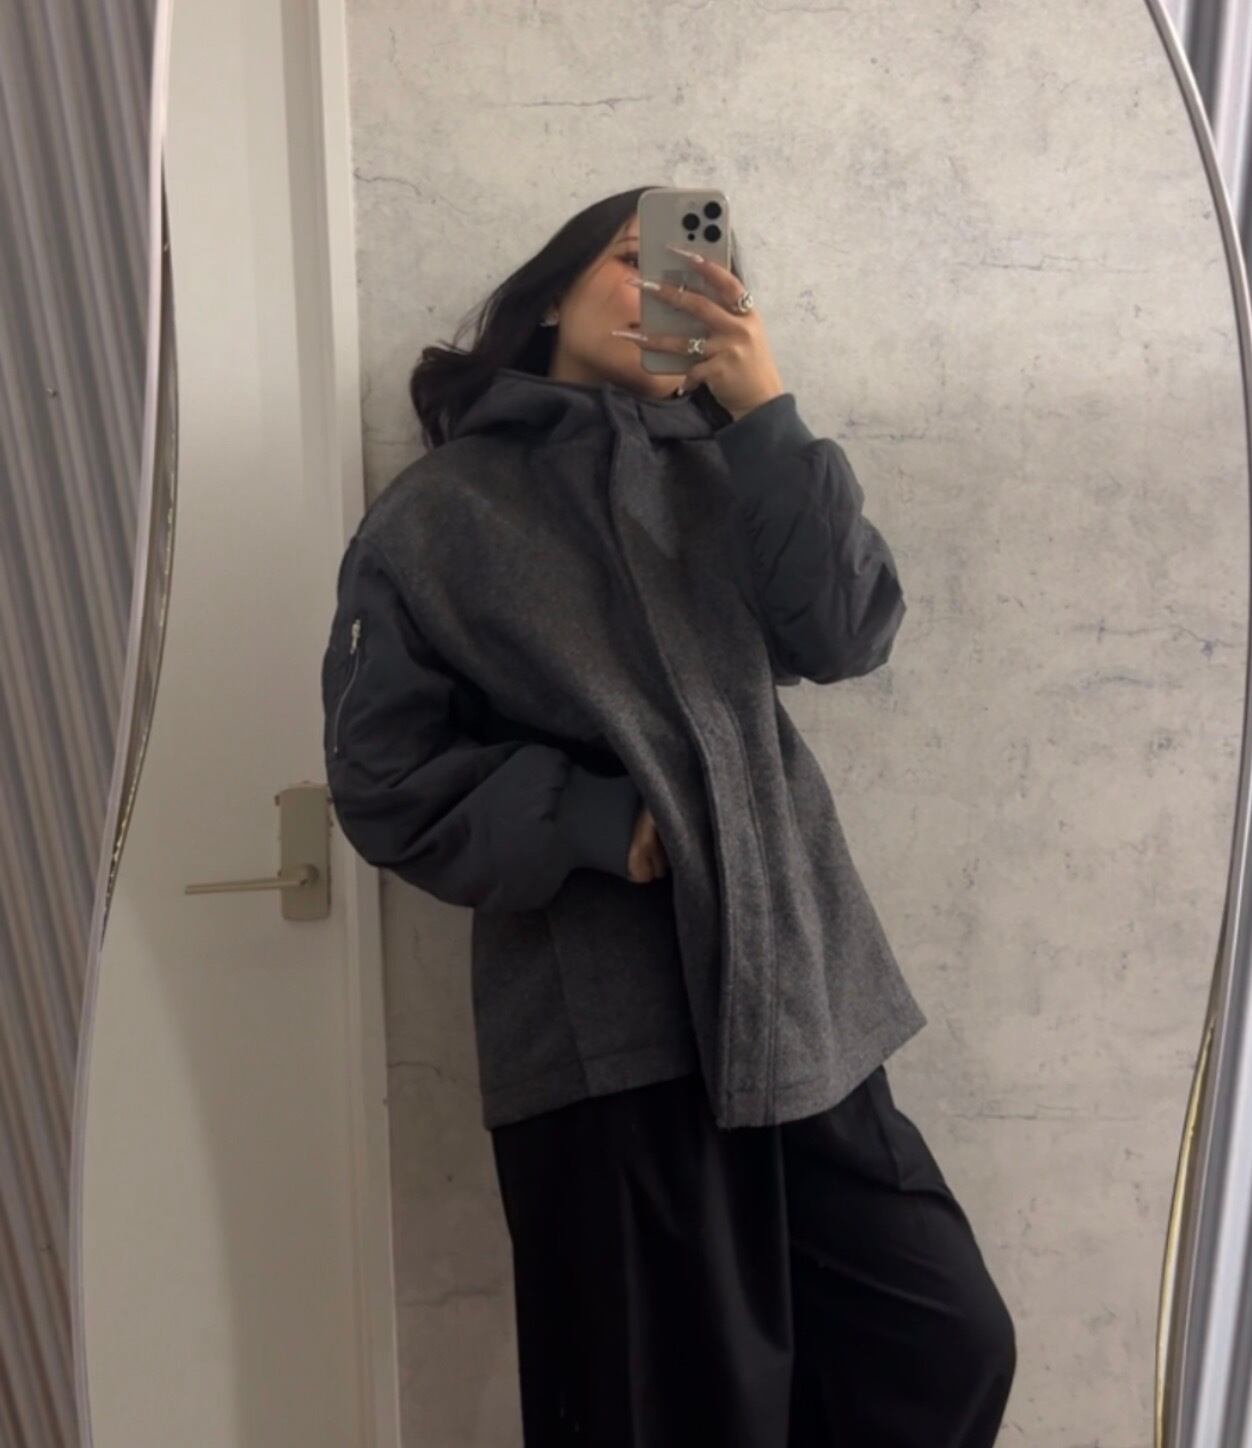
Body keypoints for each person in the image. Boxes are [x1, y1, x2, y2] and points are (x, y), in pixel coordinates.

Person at [322, 184, 1016, 1445]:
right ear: (551, 293)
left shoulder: (734, 466)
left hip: (799, 997)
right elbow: (382, 777)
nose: (664, 285)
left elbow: (846, 631)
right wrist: (595, 821)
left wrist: (765, 411)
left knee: (941, 1338)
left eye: (696, 271)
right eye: (630, 258)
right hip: (605, 1027)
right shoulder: (440, 514)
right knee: (673, 1410)